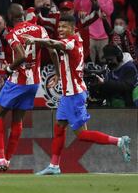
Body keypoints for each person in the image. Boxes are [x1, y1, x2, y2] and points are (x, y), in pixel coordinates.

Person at [23, 15, 131, 175]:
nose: (60, 29)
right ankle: (54, 165)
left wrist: (36, 41)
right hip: (68, 95)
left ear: (73, 28)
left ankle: (119, 141)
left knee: (82, 134)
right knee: (59, 127)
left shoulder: (71, 42)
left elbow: (53, 43)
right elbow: (65, 60)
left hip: (74, 96)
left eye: (64, 27)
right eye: (59, 27)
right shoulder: (73, 42)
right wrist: (59, 76)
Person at [0, 4, 60, 173]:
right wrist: (57, 72)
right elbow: (53, 52)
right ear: (24, 15)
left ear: (10, 18)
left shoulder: (12, 34)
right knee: (17, 121)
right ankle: (7, 160)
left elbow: (21, 55)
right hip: (34, 83)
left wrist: (10, 68)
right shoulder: (40, 29)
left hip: (18, 81)